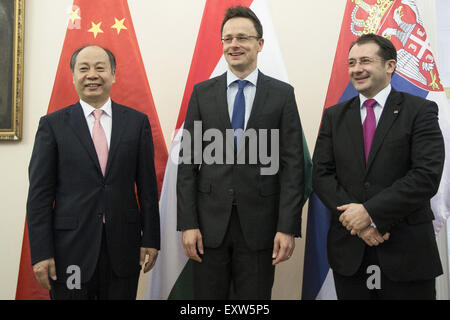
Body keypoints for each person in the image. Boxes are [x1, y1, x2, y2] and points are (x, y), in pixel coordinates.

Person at [177, 6, 305, 299]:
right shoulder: (202, 93)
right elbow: (187, 164)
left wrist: (287, 227)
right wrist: (188, 224)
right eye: (227, 38)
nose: (234, 45)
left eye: (242, 38)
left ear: (259, 44)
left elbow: (293, 166)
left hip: (261, 227)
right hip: (208, 228)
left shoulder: (282, 95)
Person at [312, 33, 444, 300]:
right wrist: (358, 222)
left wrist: (371, 213)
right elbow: (321, 175)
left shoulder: (420, 111)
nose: (356, 69)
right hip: (351, 252)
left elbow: (425, 176)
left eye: (365, 61)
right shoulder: (334, 116)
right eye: (351, 63)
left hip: (406, 251)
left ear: (390, 66)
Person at [26, 45, 160, 300]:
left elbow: (148, 190)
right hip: (70, 252)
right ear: (73, 76)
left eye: (100, 68)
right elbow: (39, 197)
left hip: (122, 247)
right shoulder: (52, 126)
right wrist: (41, 253)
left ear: (113, 74)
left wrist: (151, 239)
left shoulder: (136, 122)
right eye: (84, 68)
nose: (92, 75)